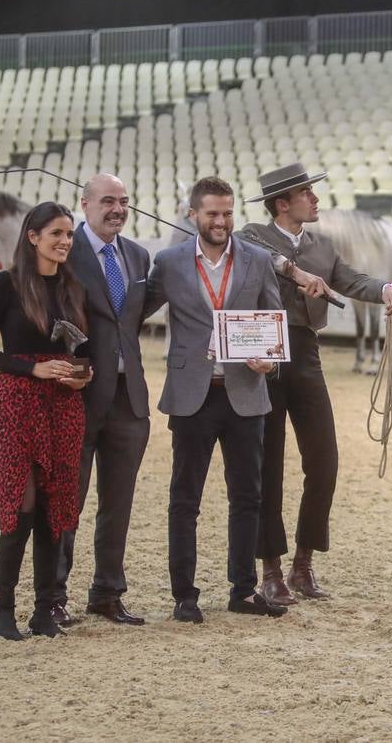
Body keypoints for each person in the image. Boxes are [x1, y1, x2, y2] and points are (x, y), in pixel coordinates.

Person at [239, 163, 392, 605]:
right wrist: (294, 273)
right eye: (306, 193)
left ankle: (303, 563)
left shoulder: (322, 246)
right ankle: (270, 568)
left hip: (306, 353)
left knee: (324, 461)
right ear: (282, 203)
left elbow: (352, 280)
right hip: (267, 355)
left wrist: (385, 288)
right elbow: (259, 258)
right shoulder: (253, 236)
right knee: (268, 467)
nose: (314, 199)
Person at [144, 176, 287, 622]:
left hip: (245, 394)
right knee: (185, 499)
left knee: (248, 496)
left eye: (227, 213)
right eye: (212, 214)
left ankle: (242, 590)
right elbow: (133, 312)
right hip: (193, 396)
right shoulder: (167, 263)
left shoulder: (258, 260)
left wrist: (270, 361)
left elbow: (273, 319)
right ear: (194, 215)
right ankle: (184, 595)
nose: (221, 221)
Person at [0, 202, 91, 641]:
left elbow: (84, 353)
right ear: (32, 236)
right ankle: (4, 611)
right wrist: (32, 369)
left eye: (70, 235)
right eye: (56, 233)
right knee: (21, 505)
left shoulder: (74, 288)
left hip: (63, 406)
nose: (64, 242)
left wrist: (82, 377)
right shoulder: (6, 284)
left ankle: (44, 612)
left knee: (54, 508)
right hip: (17, 404)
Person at [50, 174, 154, 628]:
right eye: (107, 201)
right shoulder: (64, 254)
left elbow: (131, 320)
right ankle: (53, 594)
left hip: (129, 399)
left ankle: (107, 593)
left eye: (124, 202)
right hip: (77, 395)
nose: (117, 209)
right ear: (84, 204)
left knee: (119, 502)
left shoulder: (138, 256)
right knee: (67, 499)